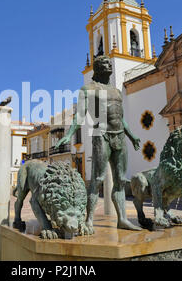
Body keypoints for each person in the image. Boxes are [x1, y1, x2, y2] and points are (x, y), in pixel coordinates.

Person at [55, 55, 141, 234]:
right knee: (97, 180)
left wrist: (132, 136)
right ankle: (89, 220)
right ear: (97, 68)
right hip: (101, 135)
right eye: (104, 63)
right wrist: (69, 135)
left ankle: (122, 219)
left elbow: (121, 118)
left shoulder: (117, 91)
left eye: (109, 63)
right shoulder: (88, 89)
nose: (109, 65)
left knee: (119, 181)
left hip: (119, 137)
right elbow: (79, 116)